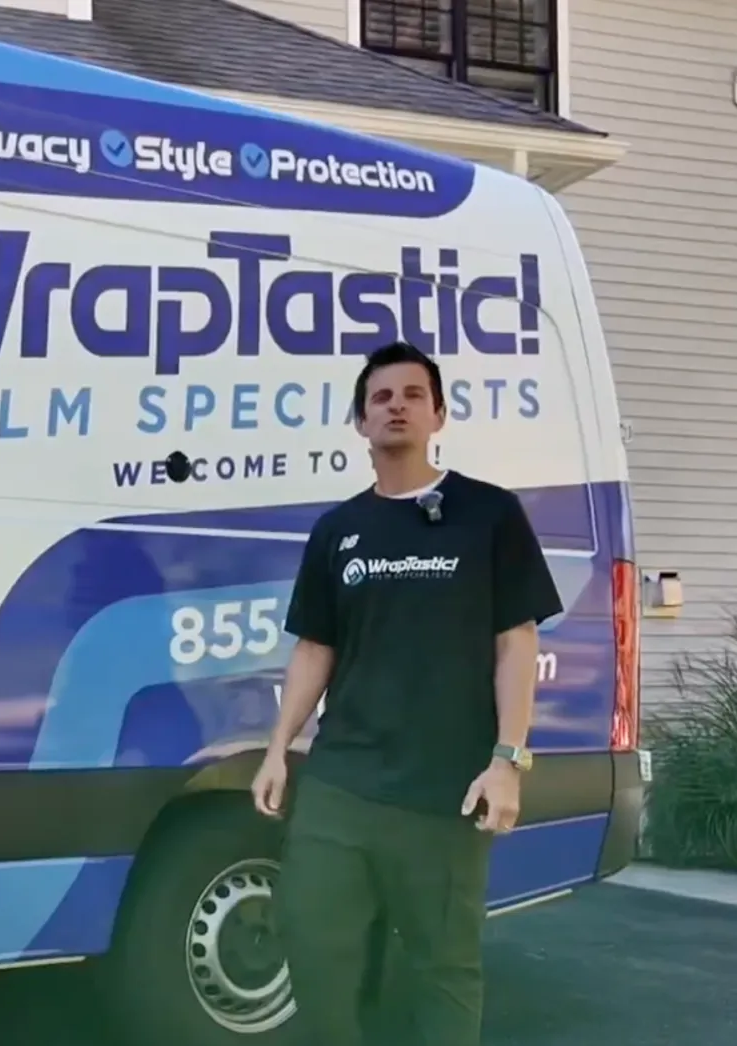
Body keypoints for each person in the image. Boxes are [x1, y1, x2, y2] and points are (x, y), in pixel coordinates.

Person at [251, 341, 563, 1046]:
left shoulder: (488, 514)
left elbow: (515, 642)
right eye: (382, 397)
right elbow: (315, 649)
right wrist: (277, 750)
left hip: (445, 791)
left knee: (441, 967)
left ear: (438, 415)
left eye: (413, 395)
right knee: (314, 945)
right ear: (360, 422)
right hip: (342, 783)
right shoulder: (338, 530)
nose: (397, 406)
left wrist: (507, 759)